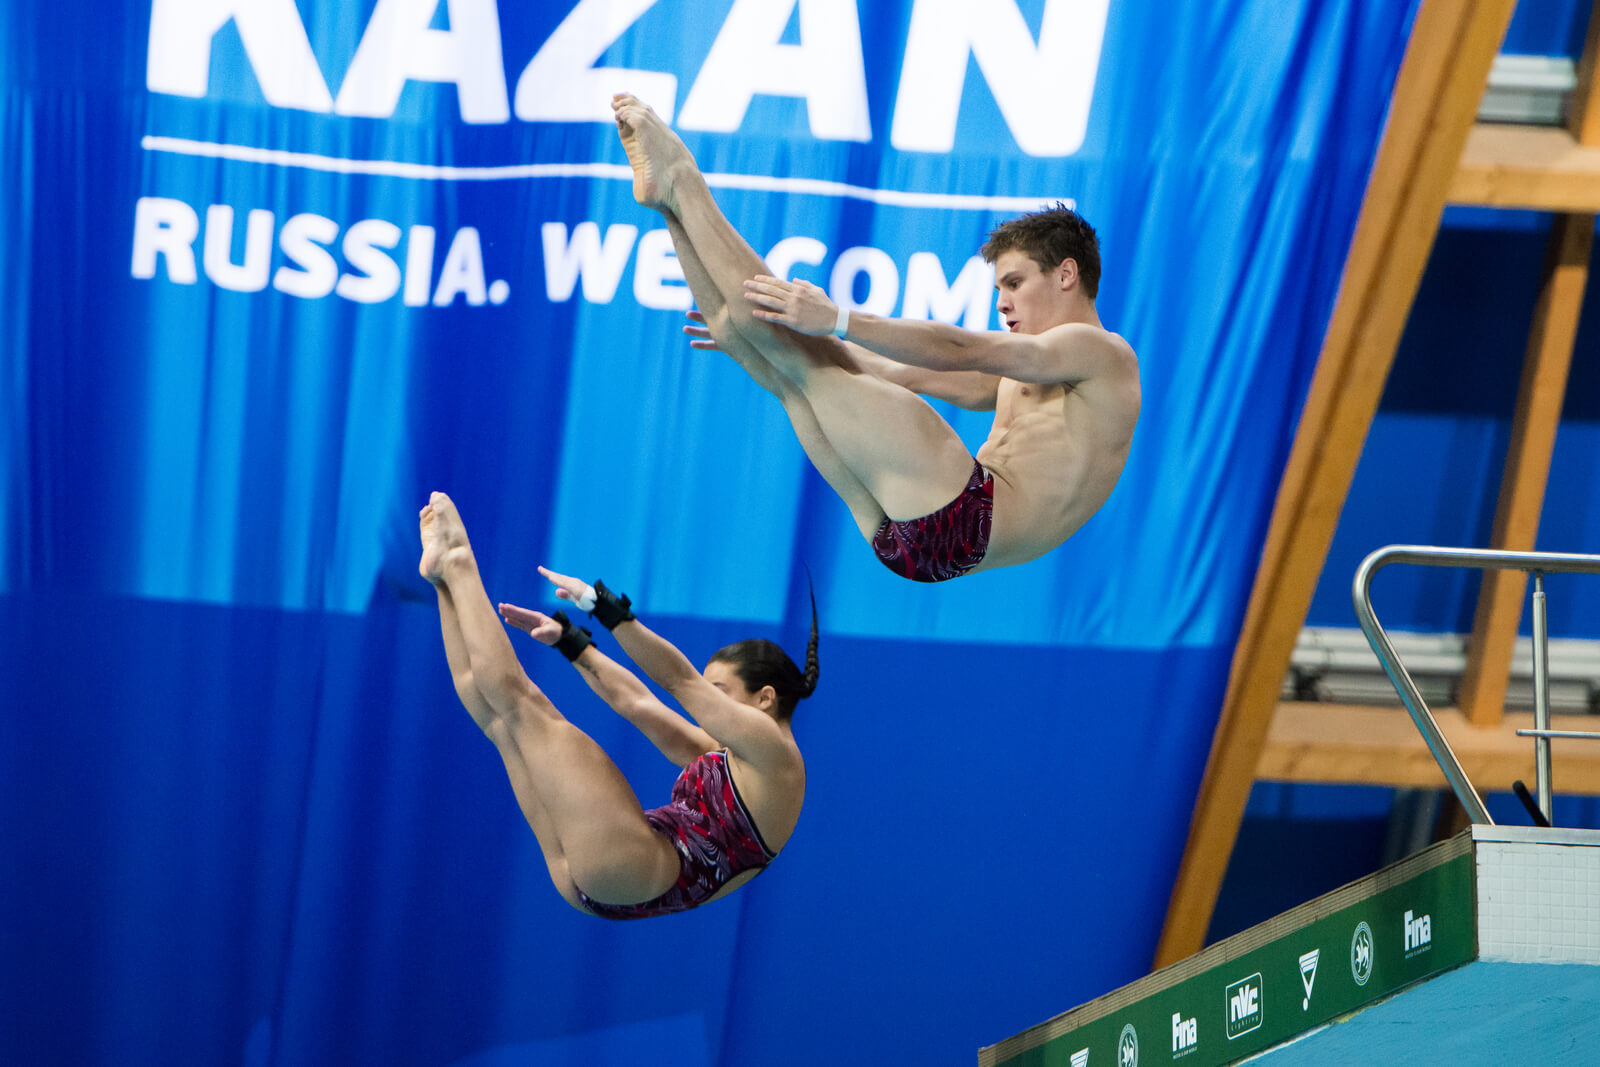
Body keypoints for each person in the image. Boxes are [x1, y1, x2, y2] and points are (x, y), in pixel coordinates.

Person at [611, 93, 1141, 583]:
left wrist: (837, 318)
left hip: (966, 515)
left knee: (799, 356)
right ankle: (667, 205)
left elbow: (966, 347)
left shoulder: (1102, 354)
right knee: (764, 349)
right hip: (916, 545)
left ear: (1067, 274)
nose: (1002, 302)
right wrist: (776, 340)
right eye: (1000, 286)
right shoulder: (1029, 377)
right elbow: (895, 371)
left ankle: (682, 177)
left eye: (1015, 283)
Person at [419, 491, 814, 919]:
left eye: (719, 688)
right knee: (498, 721)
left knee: (521, 706)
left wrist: (597, 604)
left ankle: (458, 560)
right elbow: (638, 702)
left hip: (635, 864)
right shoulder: (738, 765)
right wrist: (572, 645)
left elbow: (678, 681)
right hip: (608, 883)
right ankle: (442, 580)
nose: (709, 698)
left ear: (765, 698)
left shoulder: (775, 753)